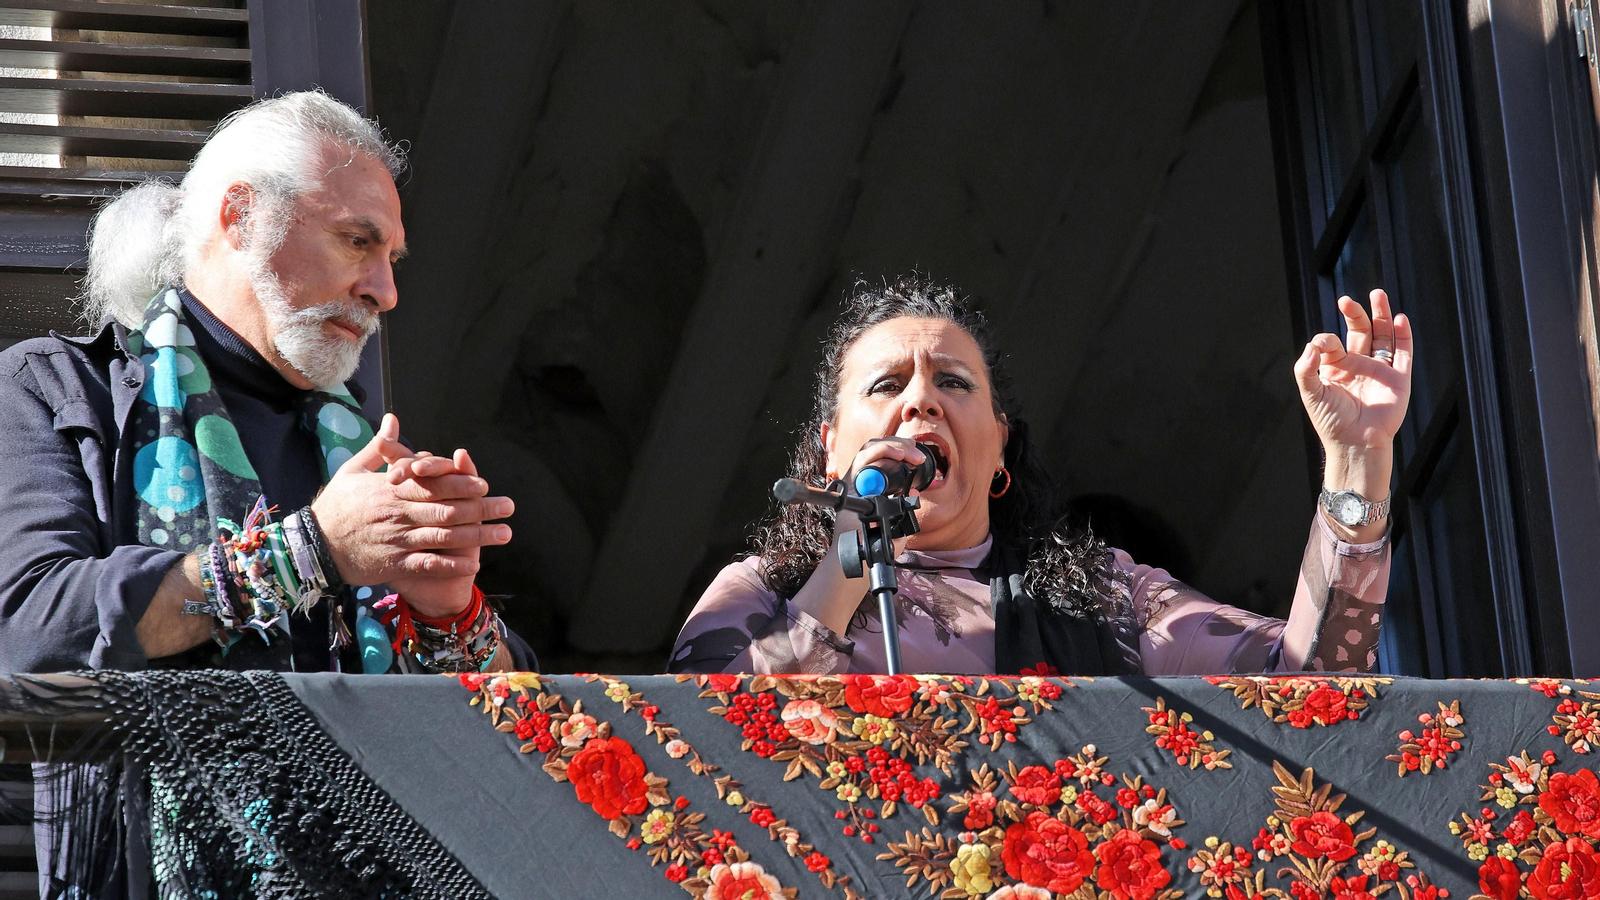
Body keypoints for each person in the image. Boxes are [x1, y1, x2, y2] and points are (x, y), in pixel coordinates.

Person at [0, 90, 529, 676]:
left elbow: (524, 729)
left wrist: (449, 615)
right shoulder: (52, 387)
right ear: (241, 217)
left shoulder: (359, 448)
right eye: (358, 241)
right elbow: (26, 630)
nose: (385, 292)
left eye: (391, 261)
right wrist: (310, 551)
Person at [669, 275, 1411, 676]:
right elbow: (697, 748)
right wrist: (846, 563)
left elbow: (1313, 685)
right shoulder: (762, 590)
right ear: (831, 451)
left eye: (954, 383)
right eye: (886, 385)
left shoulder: (1104, 598)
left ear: (998, 450)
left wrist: (1357, 461)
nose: (922, 398)